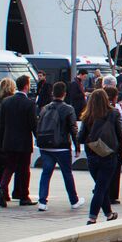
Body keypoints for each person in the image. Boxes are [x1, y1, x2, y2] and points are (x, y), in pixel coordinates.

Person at [77, 88, 122, 224]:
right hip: (109, 155)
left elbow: (81, 137)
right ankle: (92, 217)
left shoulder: (87, 116)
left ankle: (109, 214)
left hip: (92, 155)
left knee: (100, 185)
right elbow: (120, 135)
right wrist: (121, 152)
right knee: (101, 188)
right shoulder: (113, 113)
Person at [35, 81, 81, 211]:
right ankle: (74, 201)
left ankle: (42, 202)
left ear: (52, 93)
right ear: (64, 94)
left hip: (45, 146)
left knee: (46, 173)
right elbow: (73, 129)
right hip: (61, 146)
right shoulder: (68, 109)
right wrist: (77, 146)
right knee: (67, 173)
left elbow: (38, 126)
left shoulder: (45, 108)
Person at [0, 75, 37, 207]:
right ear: (26, 86)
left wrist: (1, 141)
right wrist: (38, 138)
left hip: (8, 141)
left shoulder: (6, 102)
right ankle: (24, 196)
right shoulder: (29, 103)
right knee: (24, 170)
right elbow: (33, 124)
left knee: (9, 167)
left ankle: (2, 189)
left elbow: (2, 124)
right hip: (23, 142)